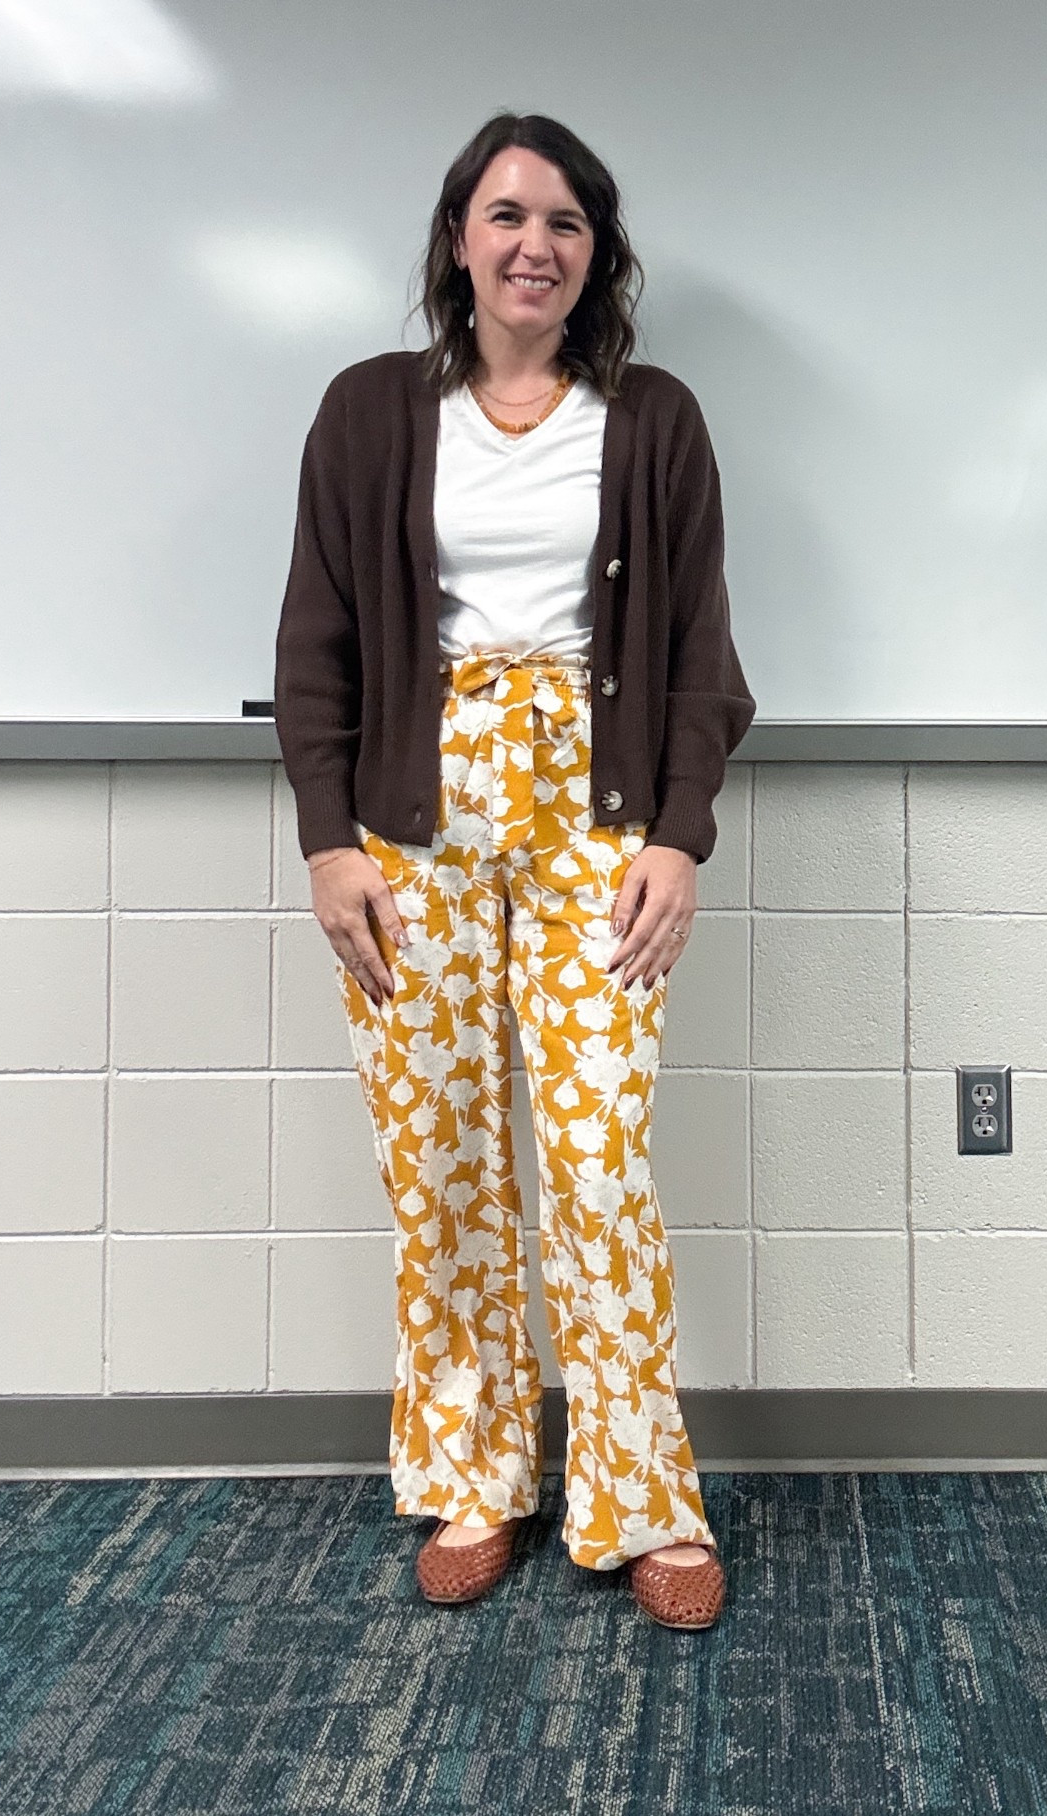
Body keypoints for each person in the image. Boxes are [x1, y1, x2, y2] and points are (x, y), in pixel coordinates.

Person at [273, 111, 755, 1631]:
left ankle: (641, 1497)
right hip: (407, 834)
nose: (533, 242)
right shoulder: (367, 414)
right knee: (446, 1169)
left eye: (563, 219)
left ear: (595, 252)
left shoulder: (655, 419)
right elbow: (318, 642)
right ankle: (475, 1478)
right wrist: (328, 840)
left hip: (599, 829)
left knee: (598, 1167)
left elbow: (697, 660)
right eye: (505, 214)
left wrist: (679, 833)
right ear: (459, 243)